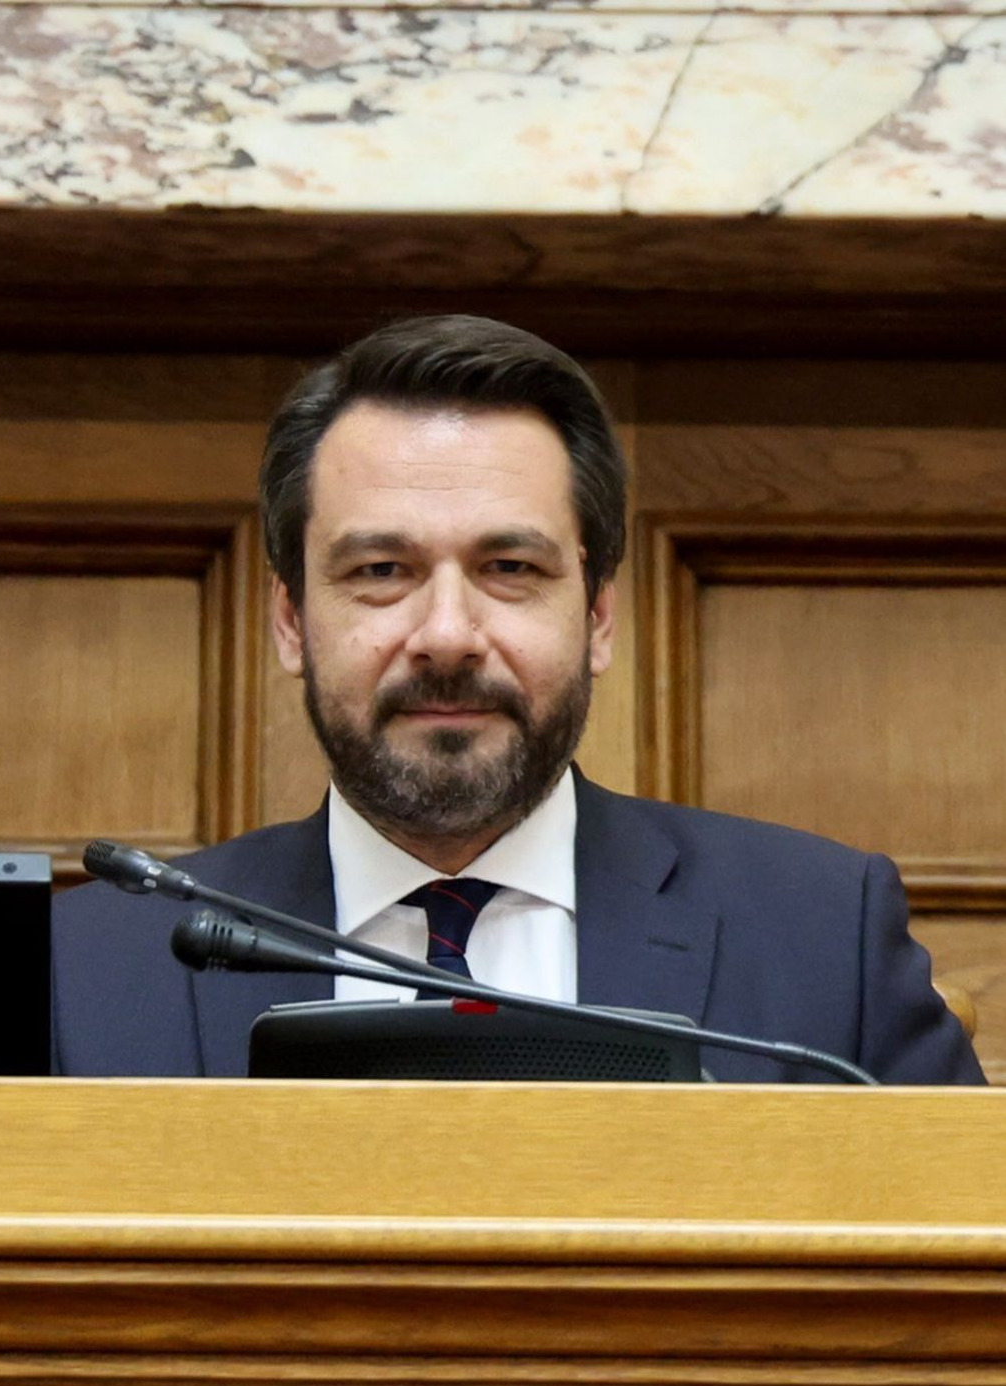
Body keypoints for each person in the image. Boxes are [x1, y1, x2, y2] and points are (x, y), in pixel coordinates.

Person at [52, 315, 985, 1083]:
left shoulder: (819, 934)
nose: (447, 634)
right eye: (381, 570)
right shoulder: (89, 965)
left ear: (599, 616)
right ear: (291, 620)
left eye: (508, 568)